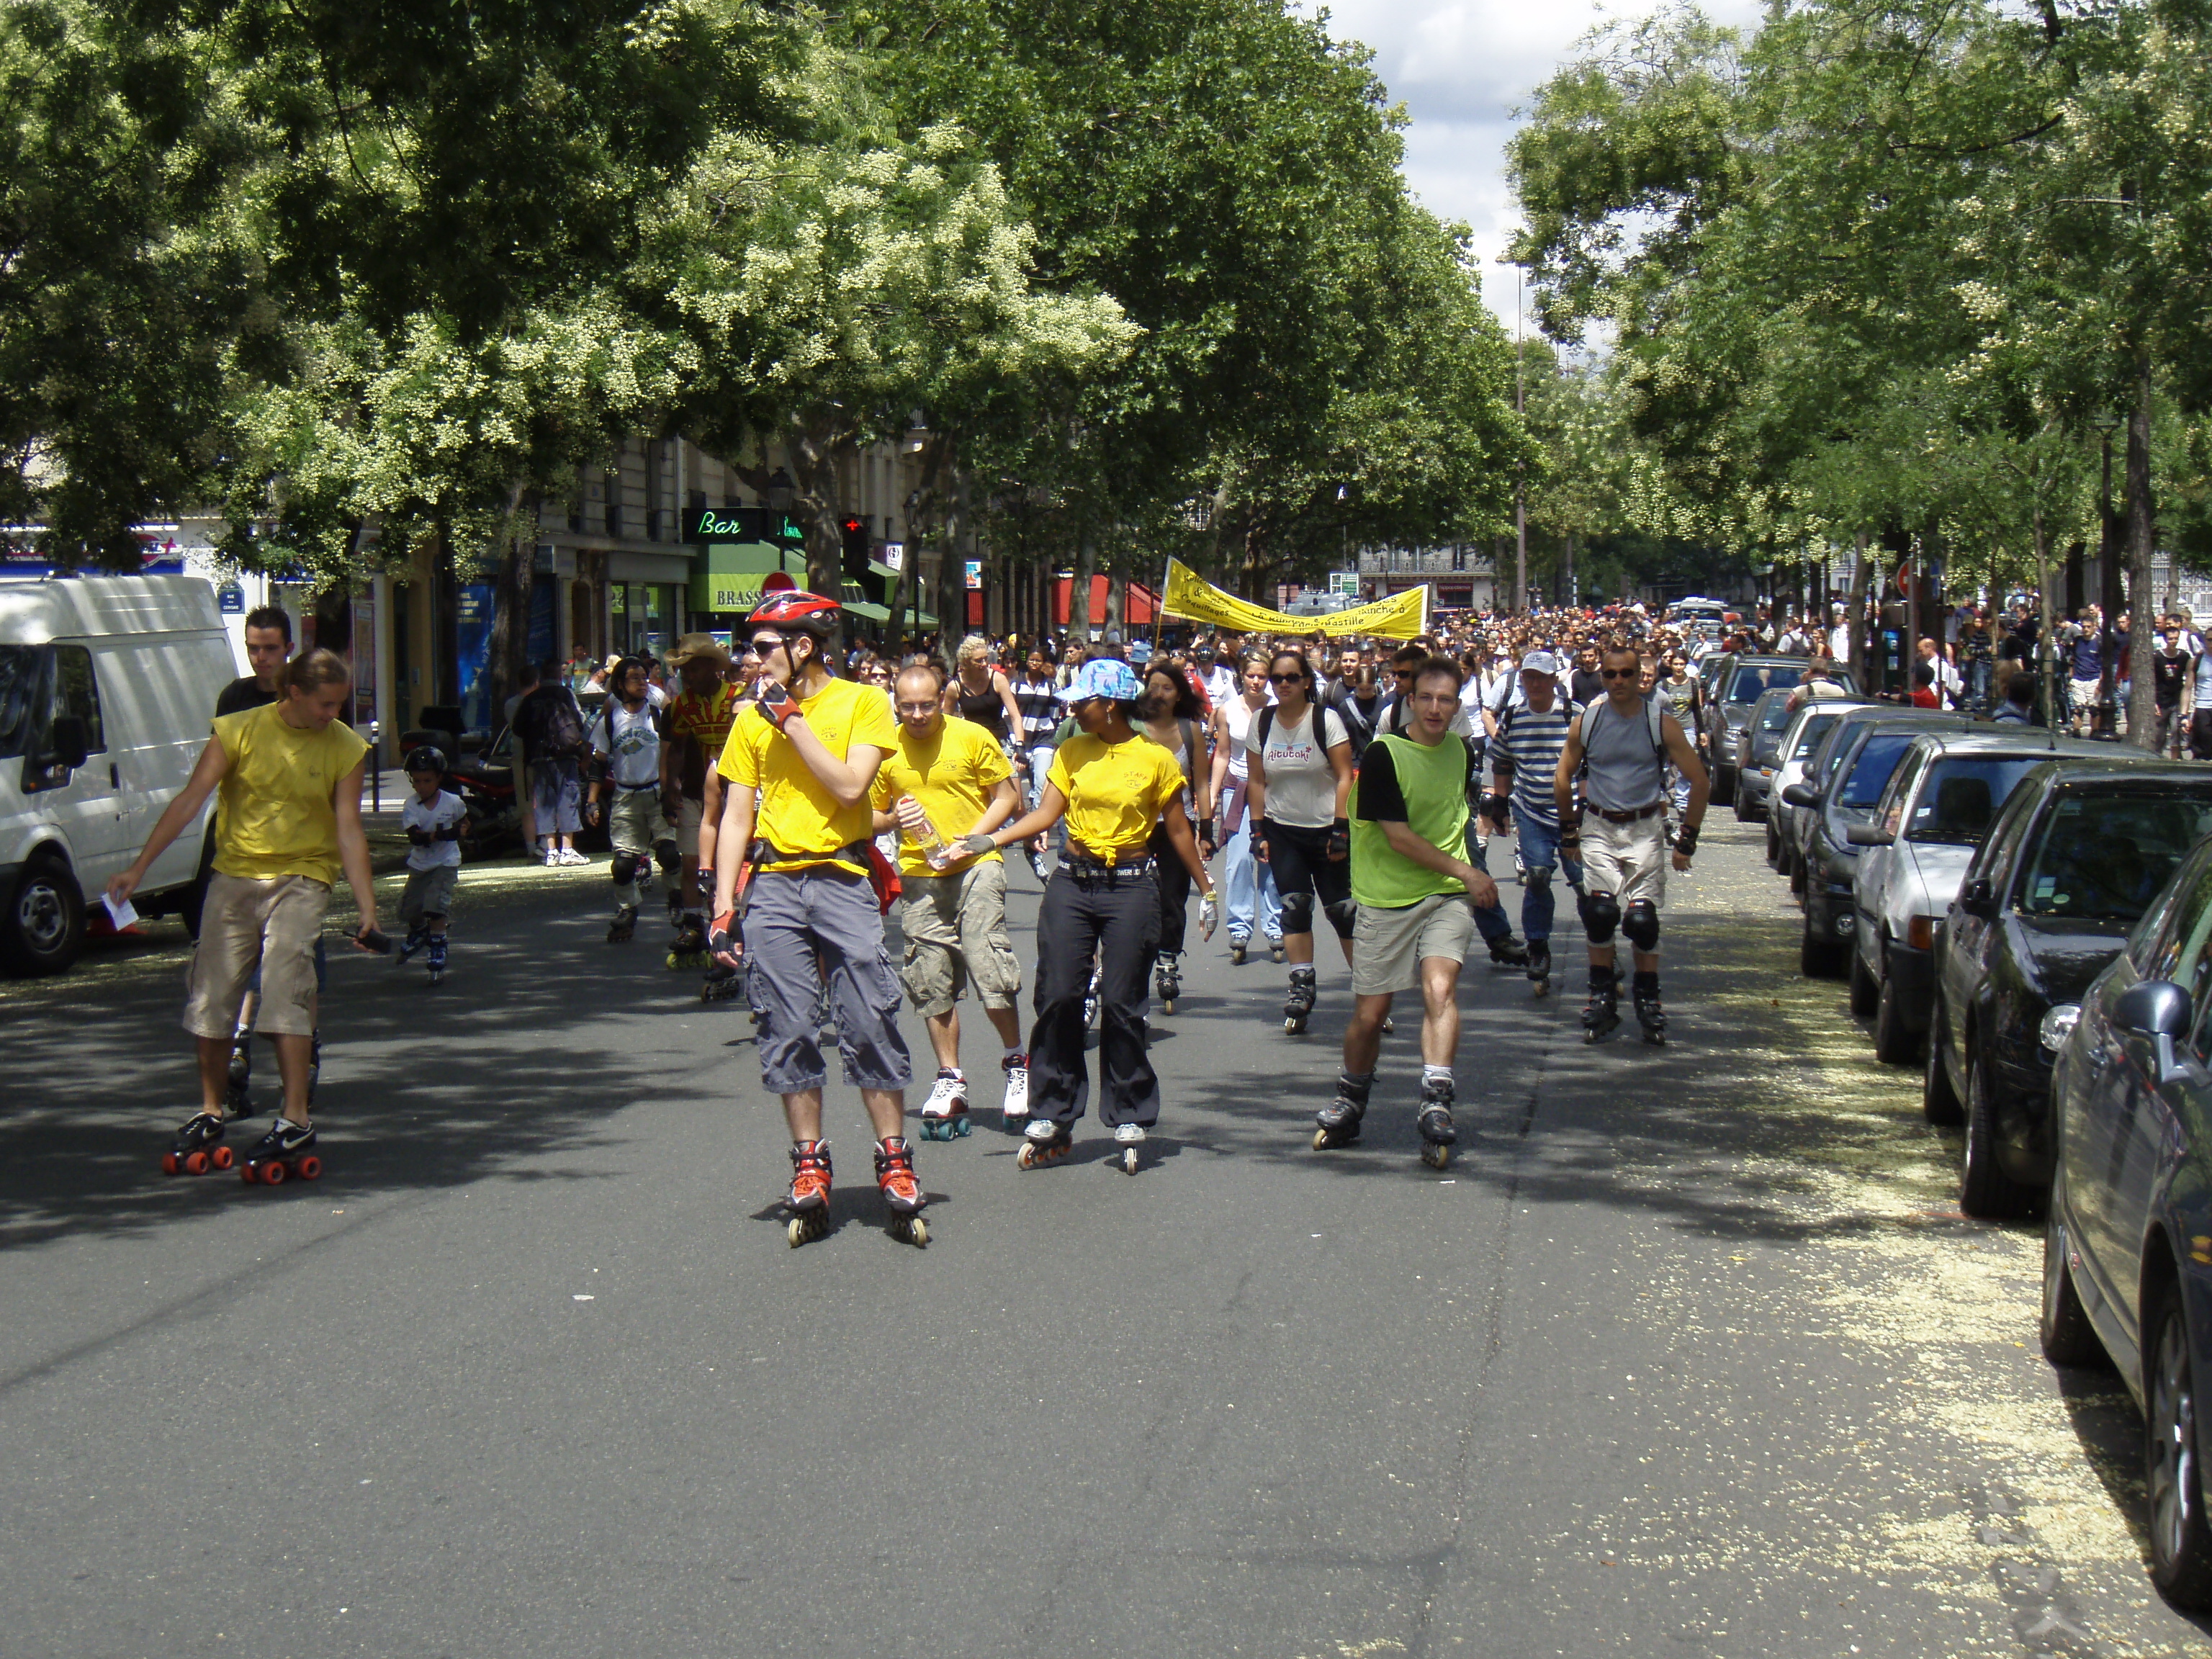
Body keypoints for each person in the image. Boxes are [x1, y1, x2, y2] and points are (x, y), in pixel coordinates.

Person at [109, 650, 380, 1182]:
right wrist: (139, 868)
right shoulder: (238, 731)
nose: (334, 713)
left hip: (303, 877)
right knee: (212, 993)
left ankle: (295, 1118)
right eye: (325, 703)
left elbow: (349, 829)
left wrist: (367, 907)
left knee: (286, 982)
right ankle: (211, 1111)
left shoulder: (345, 747)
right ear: (294, 693)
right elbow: (191, 800)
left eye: (340, 704)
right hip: (235, 875)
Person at [709, 592, 924, 1248]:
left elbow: (853, 788)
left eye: (764, 647)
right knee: (788, 1020)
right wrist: (721, 906)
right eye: (752, 647)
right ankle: (809, 1160)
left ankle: (893, 1155)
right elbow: (737, 815)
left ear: (804, 647)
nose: (753, 659)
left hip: (841, 874)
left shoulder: (861, 703)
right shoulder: (749, 721)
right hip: (774, 882)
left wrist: (794, 722)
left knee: (867, 1017)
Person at [966, 658, 1215, 1174]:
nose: (1073, 706)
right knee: (1058, 994)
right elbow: (1045, 814)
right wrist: (991, 838)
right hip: (1074, 883)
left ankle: (1128, 1111)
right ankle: (1054, 1110)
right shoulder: (1072, 749)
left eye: (1083, 700)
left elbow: (1177, 831)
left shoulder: (1155, 759)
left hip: (1131, 888)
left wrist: (1206, 889)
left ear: (1111, 705)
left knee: (1123, 1004)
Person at [1313, 655, 1499, 1168]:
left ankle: (1436, 1100)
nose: (1435, 709)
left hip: (1445, 892)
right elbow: (1397, 837)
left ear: (1457, 706)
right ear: (1410, 701)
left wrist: (1470, 870)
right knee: (1372, 1016)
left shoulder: (1461, 752)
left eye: (1446, 700)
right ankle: (1352, 1098)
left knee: (1440, 989)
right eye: (1427, 698)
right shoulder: (1382, 755)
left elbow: (1455, 821)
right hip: (1387, 895)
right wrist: (1471, 874)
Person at [871, 662, 1027, 1138]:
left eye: (926, 704)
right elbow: (869, 818)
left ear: (944, 698)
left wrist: (972, 838)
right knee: (929, 975)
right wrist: (894, 817)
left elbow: (1008, 798)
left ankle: (1017, 1063)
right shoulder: (885, 750)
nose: (917, 715)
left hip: (976, 864)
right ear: (896, 705)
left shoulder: (972, 737)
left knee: (986, 961)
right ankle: (950, 1077)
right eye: (907, 707)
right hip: (921, 872)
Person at [1555, 642, 1710, 1046]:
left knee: (1642, 921)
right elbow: (1563, 776)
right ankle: (1602, 996)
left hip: (1644, 827)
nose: (1619, 681)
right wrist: (1569, 830)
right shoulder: (1587, 722)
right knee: (1601, 913)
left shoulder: (1659, 722)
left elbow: (1700, 779)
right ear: (1601, 677)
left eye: (1627, 673)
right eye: (1611, 674)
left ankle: (1647, 997)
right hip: (1600, 825)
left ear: (1642, 678)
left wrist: (1687, 841)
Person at [1246, 649, 1354, 1035]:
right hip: (1283, 828)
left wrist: (1342, 828)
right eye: (1277, 678)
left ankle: (1369, 991)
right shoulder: (1262, 722)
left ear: (1307, 681)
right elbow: (1257, 781)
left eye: (1292, 677)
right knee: (1294, 906)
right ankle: (1301, 984)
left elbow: (1345, 775)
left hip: (1327, 829)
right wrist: (1257, 830)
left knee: (1342, 912)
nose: (1283, 685)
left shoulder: (1325, 720)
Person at [1486, 652, 1581, 997]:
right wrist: (1499, 803)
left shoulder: (1575, 715)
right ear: (1522, 680)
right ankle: (1538, 946)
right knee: (1538, 878)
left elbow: (1589, 765)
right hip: (1532, 811)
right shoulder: (1513, 716)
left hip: (1571, 813)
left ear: (1555, 680)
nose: (1536, 684)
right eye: (1529, 677)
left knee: (1586, 885)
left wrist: (1582, 812)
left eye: (1542, 677)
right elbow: (1502, 760)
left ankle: (1605, 948)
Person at [1136, 660, 1213, 1014]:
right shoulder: (1133, 728)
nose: (1160, 694)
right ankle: (1128, 963)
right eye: (1154, 686)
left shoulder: (1190, 730)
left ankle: (1167, 962)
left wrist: (1206, 830)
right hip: (1136, 824)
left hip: (1178, 825)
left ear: (1179, 693)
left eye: (1168, 688)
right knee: (1133, 897)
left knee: (1172, 897)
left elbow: (1201, 783)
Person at [662, 634, 741, 968]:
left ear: (712, 667)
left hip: (739, 791)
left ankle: (729, 926)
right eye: (682, 671)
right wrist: (669, 787)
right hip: (698, 790)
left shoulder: (738, 699)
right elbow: (676, 747)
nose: (687, 676)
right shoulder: (681, 705)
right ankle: (695, 926)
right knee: (692, 862)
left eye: (692, 669)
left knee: (731, 866)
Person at [584, 656, 670, 945]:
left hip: (657, 793)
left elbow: (675, 755)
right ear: (620, 684)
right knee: (622, 865)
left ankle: (683, 905)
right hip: (625, 795)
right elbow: (597, 764)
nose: (642, 682)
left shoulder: (658, 715)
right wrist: (592, 802)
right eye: (634, 677)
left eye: (645, 677)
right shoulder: (610, 721)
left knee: (669, 855)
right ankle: (628, 910)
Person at [1208, 655, 1283, 963]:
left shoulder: (1278, 708)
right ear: (1242, 676)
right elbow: (1223, 754)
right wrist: (1211, 796)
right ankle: (1239, 927)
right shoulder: (1228, 710)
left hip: (1273, 790)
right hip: (1237, 790)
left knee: (1271, 859)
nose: (1256, 681)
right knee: (1238, 860)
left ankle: (1275, 926)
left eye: (1262, 676)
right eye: (1251, 675)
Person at [395, 745, 467, 981]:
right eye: (416, 781)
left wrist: (463, 830)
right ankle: (419, 930)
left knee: (436, 903)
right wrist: (436, 835)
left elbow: (464, 821)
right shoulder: (411, 806)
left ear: (438, 778)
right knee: (407, 911)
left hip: (446, 861)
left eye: (427, 780)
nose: (421, 787)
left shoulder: (452, 802)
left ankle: (438, 942)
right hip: (420, 864)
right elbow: (415, 837)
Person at [515, 662, 590, 866]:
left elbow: (518, 728)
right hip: (565, 755)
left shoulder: (531, 699)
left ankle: (550, 851)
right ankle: (567, 850)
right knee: (568, 797)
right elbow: (580, 720)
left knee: (545, 803)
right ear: (558, 675)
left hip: (539, 757)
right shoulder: (565, 694)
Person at [1012, 645, 1062, 877]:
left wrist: (1053, 737)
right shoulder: (1015, 684)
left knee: (1042, 780)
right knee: (1013, 786)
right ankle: (1014, 824)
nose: (1034, 664)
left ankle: (1036, 821)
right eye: (1031, 660)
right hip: (1019, 739)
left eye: (1038, 660)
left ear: (1044, 663)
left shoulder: (1051, 685)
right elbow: (1008, 713)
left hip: (1043, 737)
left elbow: (1055, 714)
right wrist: (1017, 744)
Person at [944, 634, 1023, 750]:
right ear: (966, 662)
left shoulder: (998, 679)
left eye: (985, 658)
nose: (984, 664)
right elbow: (947, 721)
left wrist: (1020, 744)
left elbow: (1015, 716)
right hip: (970, 744)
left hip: (999, 742)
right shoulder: (955, 687)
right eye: (978, 661)